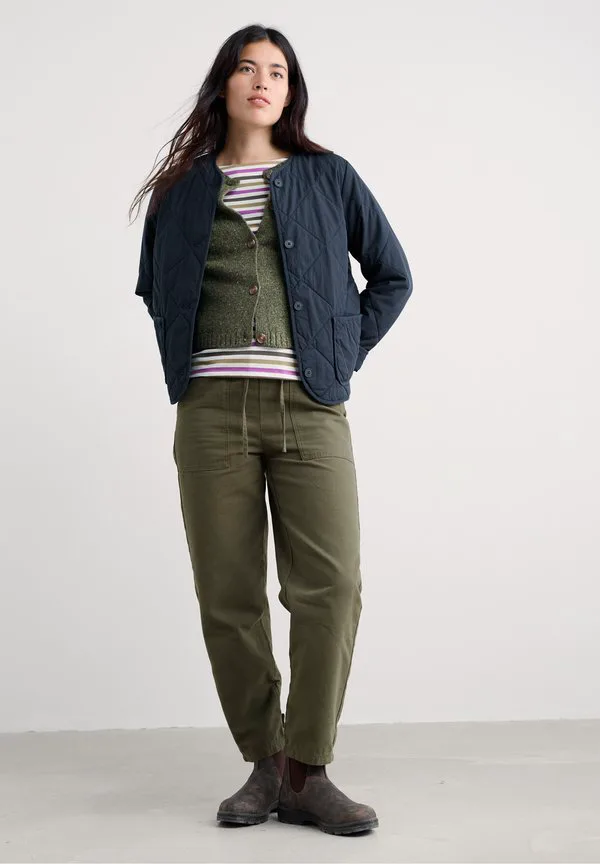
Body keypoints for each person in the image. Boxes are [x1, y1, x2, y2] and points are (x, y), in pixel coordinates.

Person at [130, 23, 412, 836]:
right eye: (248, 68)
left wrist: (338, 351)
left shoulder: (328, 177)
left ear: (291, 92)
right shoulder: (181, 190)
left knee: (331, 587)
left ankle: (306, 770)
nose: (262, 81)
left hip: (309, 407)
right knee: (228, 593)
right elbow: (154, 289)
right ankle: (263, 761)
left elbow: (392, 276)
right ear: (224, 84)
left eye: (278, 71)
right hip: (211, 414)